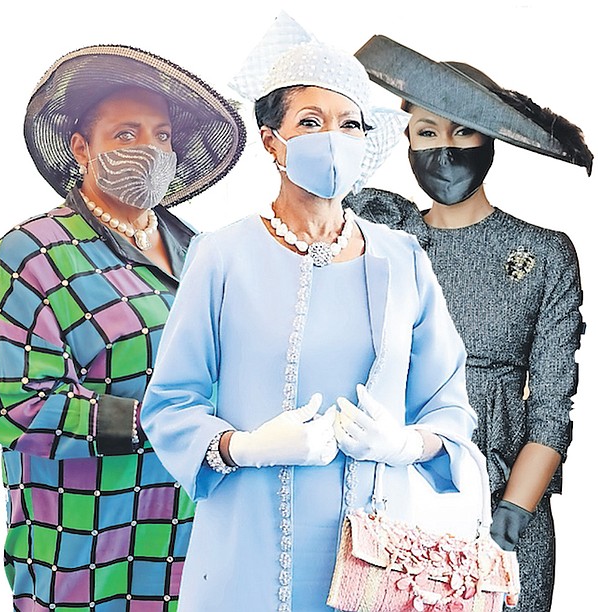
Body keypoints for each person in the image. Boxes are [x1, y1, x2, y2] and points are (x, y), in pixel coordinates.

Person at [140, 14, 478, 612]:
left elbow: (447, 404)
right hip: (244, 551)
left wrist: (405, 445)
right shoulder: (220, 254)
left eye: (349, 124)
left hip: (377, 559)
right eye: (311, 122)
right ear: (273, 141)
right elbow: (170, 403)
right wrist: (242, 448)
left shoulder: (402, 259)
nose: (333, 138)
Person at [0, 44, 245, 611]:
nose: (149, 149)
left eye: (162, 136)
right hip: (87, 547)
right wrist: (162, 422)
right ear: (81, 149)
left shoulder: (204, 253)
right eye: (126, 134)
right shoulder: (35, 252)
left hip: (200, 541)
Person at [346, 35, 592, 612]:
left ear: (491, 142)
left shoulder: (545, 252)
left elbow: (553, 404)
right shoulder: (381, 230)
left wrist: (515, 509)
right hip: (392, 486)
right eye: (426, 133)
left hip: (504, 492)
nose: (444, 150)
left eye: (463, 131)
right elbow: (315, 194)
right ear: (404, 140)